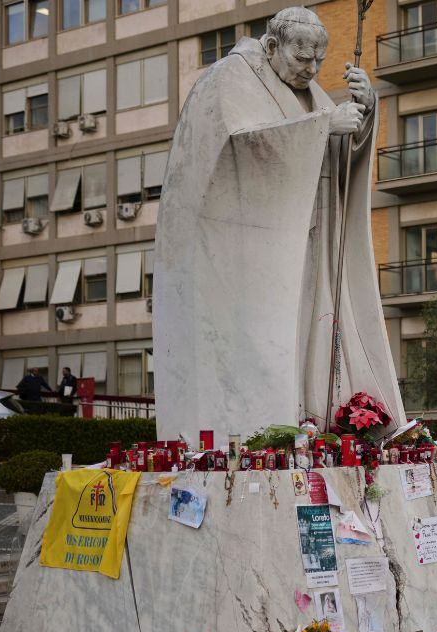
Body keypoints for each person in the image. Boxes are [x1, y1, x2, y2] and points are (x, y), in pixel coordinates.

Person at [153, 6, 405, 441]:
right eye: (301, 59)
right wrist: (325, 124)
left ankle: (318, 424)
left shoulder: (310, 94)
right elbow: (236, 148)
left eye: (318, 62)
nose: (310, 70)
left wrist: (364, 113)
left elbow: (337, 163)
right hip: (255, 257)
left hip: (309, 245)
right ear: (272, 47)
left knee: (314, 339)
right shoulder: (228, 79)